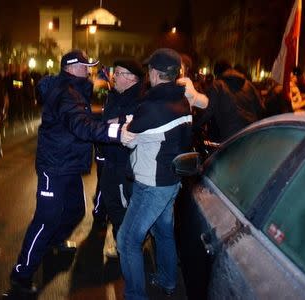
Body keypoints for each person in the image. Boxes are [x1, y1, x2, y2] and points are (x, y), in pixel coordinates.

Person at [2, 49, 135, 298]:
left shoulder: (73, 91)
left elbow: (84, 118)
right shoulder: (65, 93)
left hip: (68, 165)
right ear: (73, 68)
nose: (90, 71)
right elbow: (81, 125)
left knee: (75, 211)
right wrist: (118, 133)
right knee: (46, 220)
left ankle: (54, 241)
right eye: (86, 66)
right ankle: (21, 276)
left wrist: (115, 120)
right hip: (55, 167)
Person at [117, 48, 193, 299]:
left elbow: (128, 139)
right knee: (163, 233)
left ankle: (136, 296)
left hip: (151, 185)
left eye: (149, 69)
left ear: (155, 73)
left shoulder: (151, 106)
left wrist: (128, 124)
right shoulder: (183, 100)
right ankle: (168, 280)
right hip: (172, 181)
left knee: (127, 242)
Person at [99, 58, 145, 258]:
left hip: (123, 163)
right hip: (111, 160)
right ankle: (123, 244)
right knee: (111, 203)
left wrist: (115, 121)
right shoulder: (116, 95)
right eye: (114, 72)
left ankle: (125, 247)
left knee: (121, 206)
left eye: (118, 73)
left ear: (131, 78)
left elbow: (132, 125)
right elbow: (105, 121)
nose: (113, 76)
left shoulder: (139, 99)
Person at [195, 60, 263, 142]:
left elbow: (209, 111)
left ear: (217, 73)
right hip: (252, 132)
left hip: (231, 137)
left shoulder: (218, 85)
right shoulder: (248, 84)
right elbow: (260, 108)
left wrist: (194, 126)